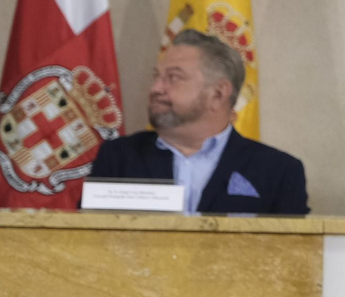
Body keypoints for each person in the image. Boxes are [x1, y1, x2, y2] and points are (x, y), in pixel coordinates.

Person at [88, 29, 308, 215]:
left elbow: (292, 258)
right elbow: (88, 246)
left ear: (218, 94)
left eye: (174, 77)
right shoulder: (118, 158)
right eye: (157, 77)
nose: (156, 88)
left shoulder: (278, 171)